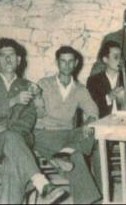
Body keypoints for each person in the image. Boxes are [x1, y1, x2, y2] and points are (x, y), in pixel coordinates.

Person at [0, 38, 67, 204]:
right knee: (13, 141)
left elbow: (28, 121)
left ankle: (37, 185)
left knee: (13, 157)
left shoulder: (29, 86)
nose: (7, 59)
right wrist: (13, 101)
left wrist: (5, 127)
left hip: (16, 141)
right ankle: (41, 182)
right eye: (3, 55)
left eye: (11, 55)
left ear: (19, 60)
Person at [33, 46, 101, 204]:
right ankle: (66, 153)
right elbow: (35, 113)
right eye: (63, 61)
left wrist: (89, 121)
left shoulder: (80, 89)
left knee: (93, 130)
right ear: (57, 62)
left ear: (76, 63)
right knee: (76, 155)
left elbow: (93, 110)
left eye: (70, 62)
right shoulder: (43, 84)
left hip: (67, 134)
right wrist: (38, 106)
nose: (67, 65)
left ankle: (63, 153)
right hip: (44, 133)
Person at [86, 40, 126, 202]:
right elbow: (91, 105)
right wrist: (109, 97)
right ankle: (102, 191)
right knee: (98, 150)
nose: (120, 61)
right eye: (115, 57)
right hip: (106, 125)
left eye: (121, 57)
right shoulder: (93, 80)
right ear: (105, 59)